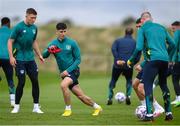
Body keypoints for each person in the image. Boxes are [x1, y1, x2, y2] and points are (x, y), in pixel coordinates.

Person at [42, 22, 102, 117]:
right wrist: (49, 50)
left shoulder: (72, 43)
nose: (63, 33)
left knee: (63, 85)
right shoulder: (53, 43)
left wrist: (67, 71)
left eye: (65, 31)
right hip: (65, 74)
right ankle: (97, 107)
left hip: (73, 71)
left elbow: (78, 59)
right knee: (81, 96)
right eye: (61, 31)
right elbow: (44, 55)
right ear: (57, 32)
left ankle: (68, 109)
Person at [128, 12, 175, 121]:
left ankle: (149, 115)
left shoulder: (143, 28)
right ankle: (169, 113)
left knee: (147, 85)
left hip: (152, 60)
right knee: (163, 84)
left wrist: (131, 60)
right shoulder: (161, 27)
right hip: (164, 60)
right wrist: (167, 55)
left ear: (143, 20)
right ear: (151, 19)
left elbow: (139, 47)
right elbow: (172, 44)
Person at [8, 8, 44, 113]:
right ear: (27, 16)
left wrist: (39, 55)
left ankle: (36, 107)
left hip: (30, 59)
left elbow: (34, 42)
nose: (34, 20)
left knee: (35, 81)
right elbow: (10, 42)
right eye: (32, 17)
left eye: (35, 18)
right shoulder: (18, 27)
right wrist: (11, 57)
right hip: (19, 58)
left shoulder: (34, 28)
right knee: (22, 82)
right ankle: (17, 106)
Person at [132, 18, 164, 117]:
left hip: (151, 64)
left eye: (139, 26)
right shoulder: (142, 36)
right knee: (134, 85)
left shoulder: (149, 36)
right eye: (136, 27)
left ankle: (158, 108)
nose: (138, 28)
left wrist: (140, 65)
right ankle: (144, 105)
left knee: (141, 88)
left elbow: (151, 54)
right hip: (147, 63)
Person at [107, 27, 139, 105]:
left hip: (117, 65)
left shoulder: (118, 40)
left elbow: (113, 49)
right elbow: (138, 54)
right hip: (128, 65)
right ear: (132, 33)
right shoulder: (135, 42)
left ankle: (110, 97)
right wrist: (132, 63)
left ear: (125, 32)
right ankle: (128, 96)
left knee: (113, 80)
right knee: (129, 80)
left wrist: (118, 60)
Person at [0, 17, 16, 107]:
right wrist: (14, 57)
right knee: (10, 79)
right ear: (8, 23)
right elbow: (15, 46)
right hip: (7, 58)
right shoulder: (11, 32)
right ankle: (13, 102)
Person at [171, 21, 180, 107]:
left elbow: (175, 46)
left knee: (175, 79)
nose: (173, 31)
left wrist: (172, 59)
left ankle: (179, 98)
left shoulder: (178, 32)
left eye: (173, 28)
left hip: (178, 60)